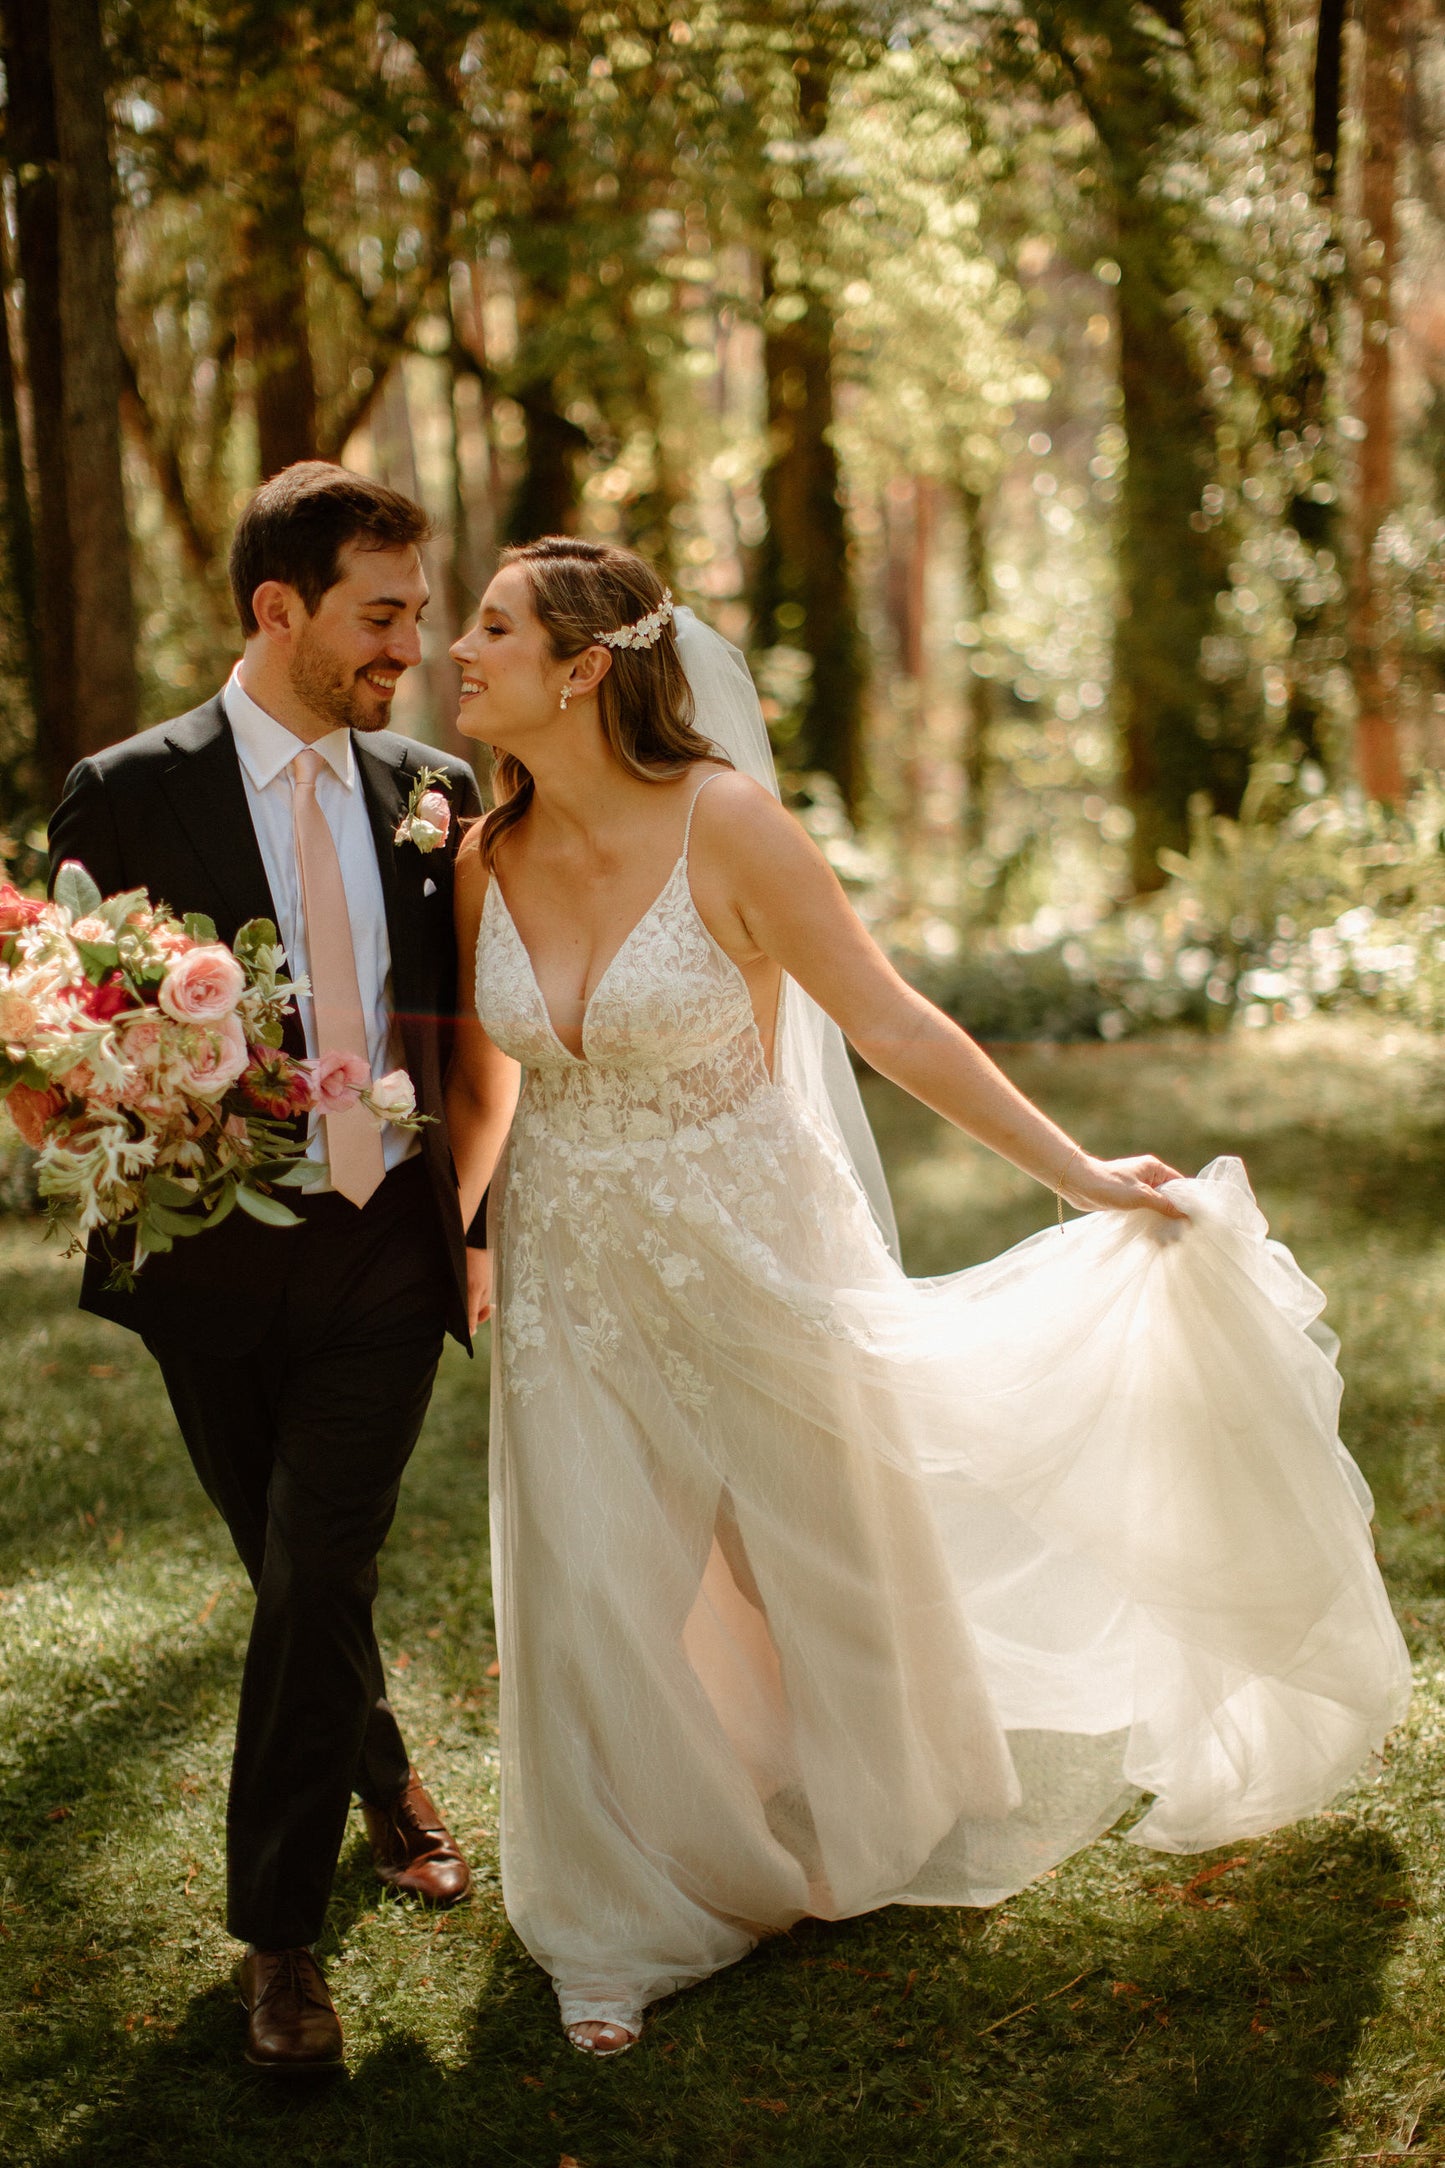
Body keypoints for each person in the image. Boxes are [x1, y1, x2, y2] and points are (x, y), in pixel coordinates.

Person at [444, 536, 1411, 2059]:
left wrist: (1080, 1171)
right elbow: (487, 1083)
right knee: (588, 1577)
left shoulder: (728, 826)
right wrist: (459, 1236)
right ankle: (615, 1918)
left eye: (489, 628)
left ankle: (889, 1794)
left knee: (818, 1548)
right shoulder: (481, 860)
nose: (458, 649)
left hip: (751, 1241)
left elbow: (890, 1020)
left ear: (580, 669)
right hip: (573, 1269)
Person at [48, 462, 486, 2074]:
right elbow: (75, 1032)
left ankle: (280, 1949)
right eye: (381, 618)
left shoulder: (432, 790)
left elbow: (470, 1037)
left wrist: (480, 1223)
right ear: (278, 610)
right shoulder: (125, 790)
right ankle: (379, 1769)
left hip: (384, 1240)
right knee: (288, 1565)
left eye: (422, 618)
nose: (411, 650)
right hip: (212, 1258)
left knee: (320, 1565)